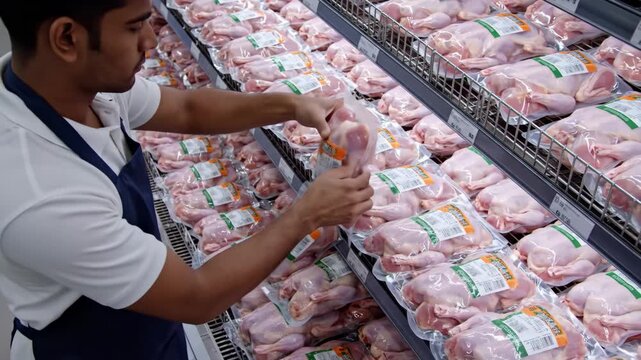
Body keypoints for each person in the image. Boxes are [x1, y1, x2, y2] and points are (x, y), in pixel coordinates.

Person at [0, 0, 374, 358]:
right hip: (88, 347)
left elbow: (187, 108)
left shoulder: (70, 87)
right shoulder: (43, 193)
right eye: (133, 27)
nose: (150, 40)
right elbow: (197, 296)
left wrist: (292, 105)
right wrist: (305, 215)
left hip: (142, 324)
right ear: (66, 38)